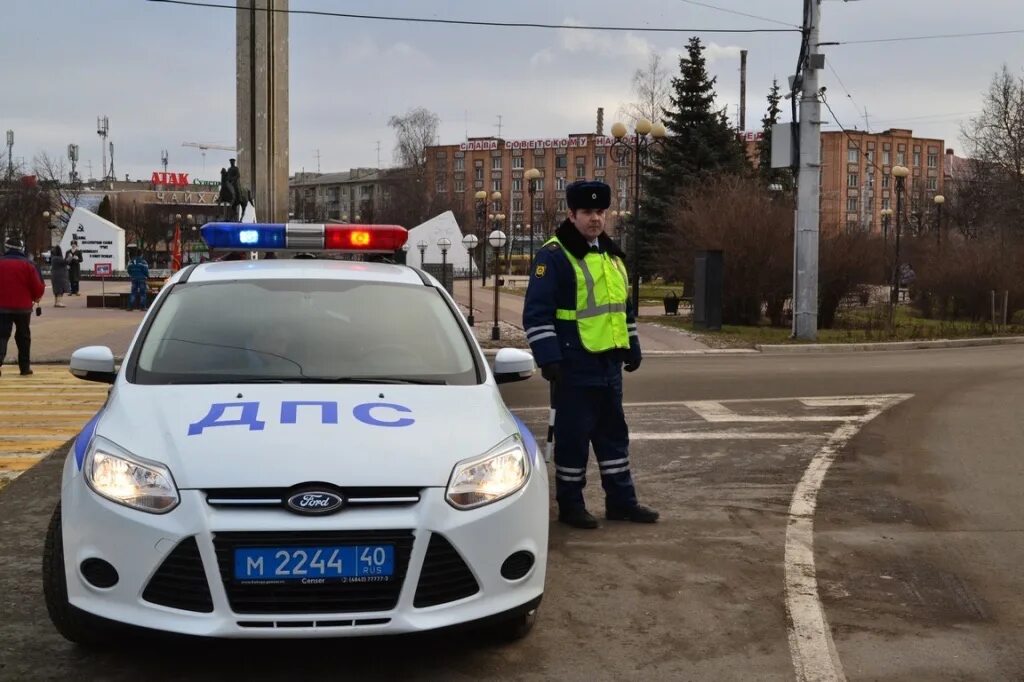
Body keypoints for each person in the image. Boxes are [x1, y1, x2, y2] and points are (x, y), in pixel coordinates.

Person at [522, 180, 659, 529]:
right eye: (587, 212)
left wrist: (632, 344)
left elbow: (621, 309)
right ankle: (571, 506)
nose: (595, 219)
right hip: (573, 364)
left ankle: (622, 502)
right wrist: (548, 358)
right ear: (572, 214)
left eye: (600, 212)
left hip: (608, 363)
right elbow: (537, 313)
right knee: (573, 440)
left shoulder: (611, 255)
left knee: (614, 436)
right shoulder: (553, 255)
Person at [0, 237, 46, 377]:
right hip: (23, 308)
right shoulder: (29, 264)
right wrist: (35, 297)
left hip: (2, 307)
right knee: (23, 336)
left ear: (6, 248)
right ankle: (25, 368)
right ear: (21, 249)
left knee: (1, 336)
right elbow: (38, 286)